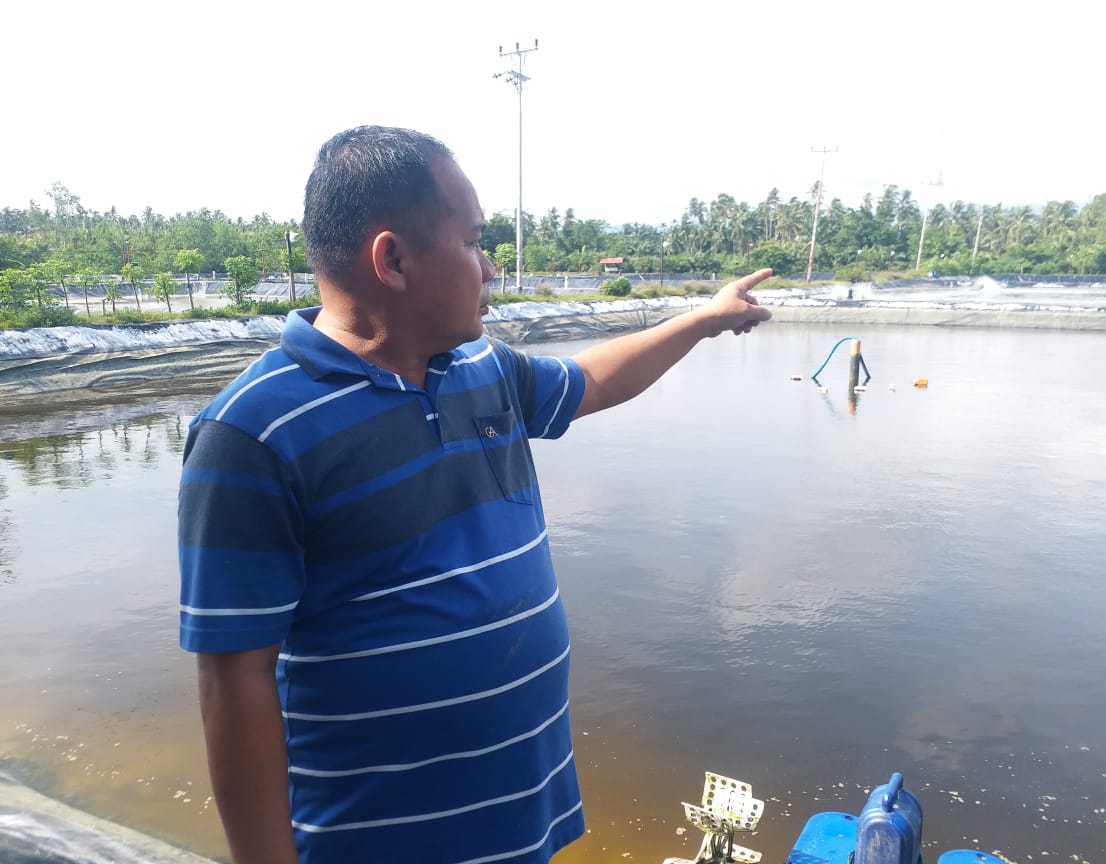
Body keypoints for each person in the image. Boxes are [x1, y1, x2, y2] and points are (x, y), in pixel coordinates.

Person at [178, 125, 773, 864]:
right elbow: (234, 681)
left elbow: (590, 380)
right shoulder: (254, 433)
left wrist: (703, 320)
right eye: (473, 242)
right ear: (393, 260)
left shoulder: (482, 369)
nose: (490, 268)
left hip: (519, 824)